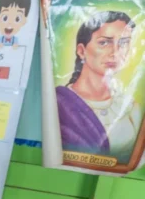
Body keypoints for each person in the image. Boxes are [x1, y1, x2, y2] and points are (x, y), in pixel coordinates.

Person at [55, 11, 142, 163]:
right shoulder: (60, 103)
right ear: (81, 51)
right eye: (104, 42)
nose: (115, 52)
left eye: (123, 43)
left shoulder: (131, 108)